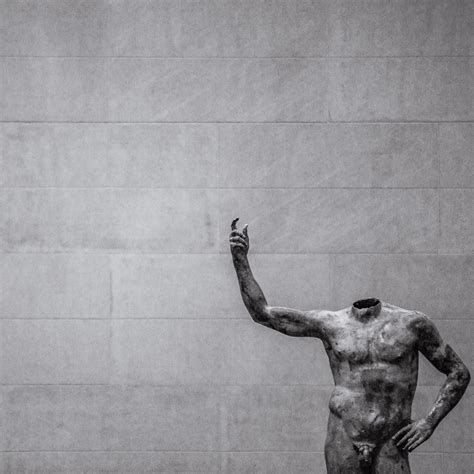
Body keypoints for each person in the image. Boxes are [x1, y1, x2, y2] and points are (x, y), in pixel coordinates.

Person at [229, 218, 470, 473]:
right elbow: (263, 314)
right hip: (343, 436)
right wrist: (240, 259)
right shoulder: (331, 324)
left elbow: (458, 373)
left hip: (390, 438)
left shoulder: (412, 324)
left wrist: (429, 423)